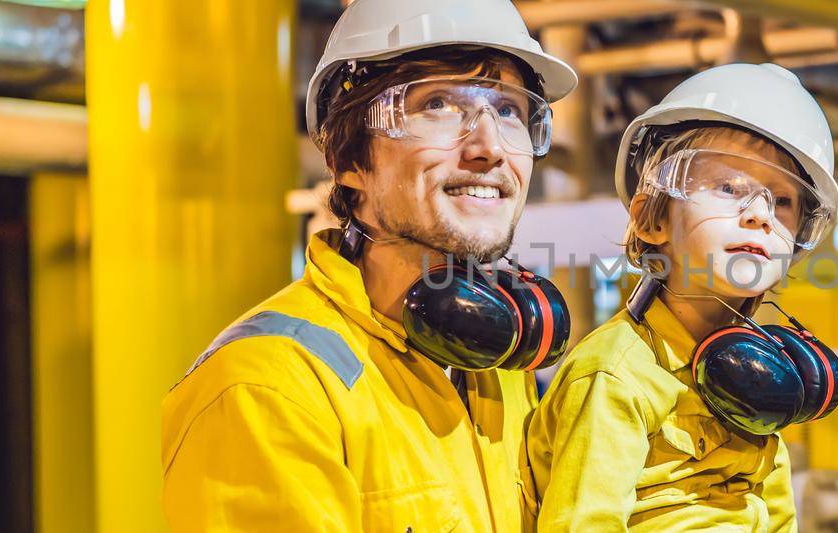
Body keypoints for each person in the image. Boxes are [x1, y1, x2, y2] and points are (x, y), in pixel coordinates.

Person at [159, 0, 576, 530]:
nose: (489, 147)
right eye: (439, 105)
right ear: (348, 159)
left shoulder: (494, 366)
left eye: (511, 111)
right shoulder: (267, 390)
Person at [524, 63, 838, 531]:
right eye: (729, 188)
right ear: (652, 220)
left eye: (782, 201)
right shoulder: (615, 377)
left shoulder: (766, 377)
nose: (759, 214)